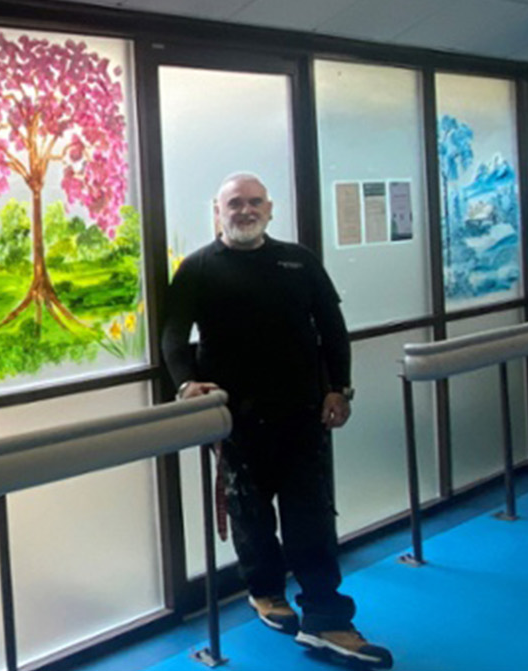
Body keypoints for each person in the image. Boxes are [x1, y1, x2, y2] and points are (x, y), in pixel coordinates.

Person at [162, 173, 392, 669]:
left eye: (254, 203)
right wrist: (185, 383)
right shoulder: (197, 268)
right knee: (250, 516)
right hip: (235, 420)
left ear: (270, 209)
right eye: (234, 203)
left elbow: (332, 328)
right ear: (217, 211)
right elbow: (174, 336)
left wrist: (339, 387)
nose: (244, 211)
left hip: (302, 413)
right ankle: (265, 590)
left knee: (310, 516)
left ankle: (327, 620)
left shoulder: (299, 261)